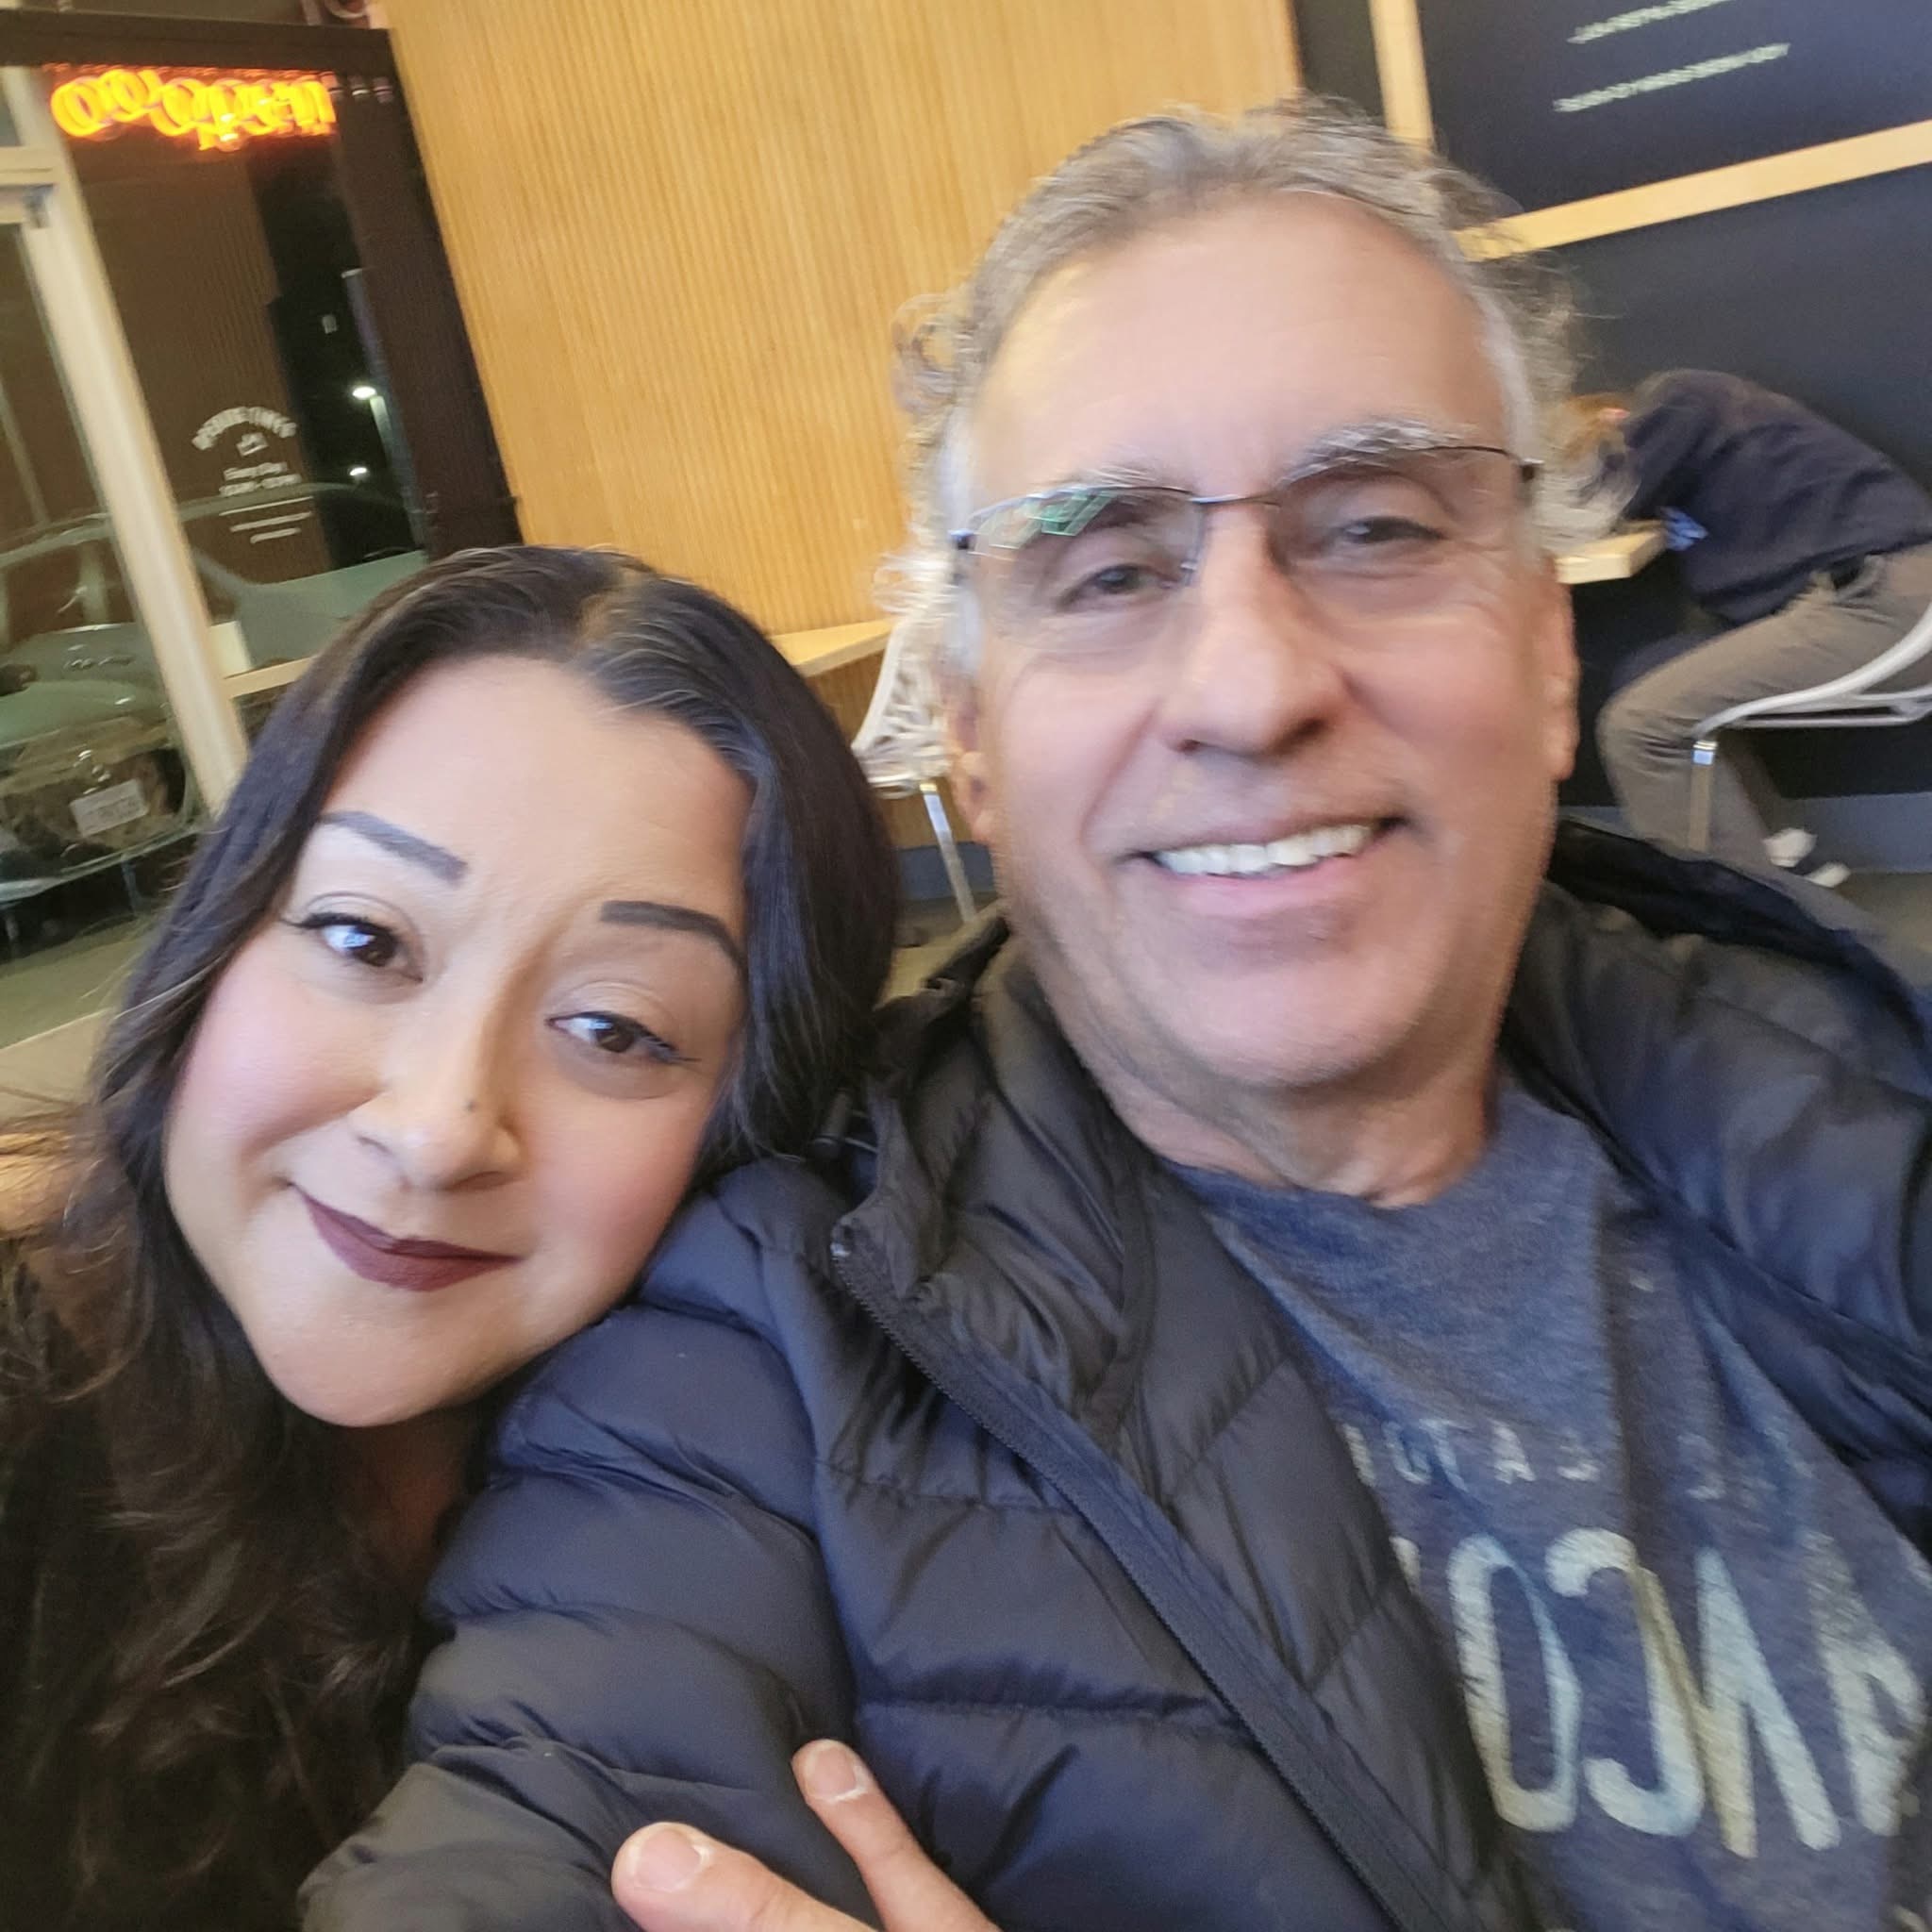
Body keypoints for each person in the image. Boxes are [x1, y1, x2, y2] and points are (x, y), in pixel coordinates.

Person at [308, 102, 1932, 1932]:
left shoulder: (1863, 1084)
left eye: (1374, 527)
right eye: (1104, 568)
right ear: (972, 742)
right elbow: (516, 1838)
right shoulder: (768, 1336)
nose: (1247, 685)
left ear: (1548, 655)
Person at [0, 543, 896, 1931]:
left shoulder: (778, 1504)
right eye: (365, 941)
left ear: (749, 1121)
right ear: (217, 937)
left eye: (613, 1028)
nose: (438, 1127)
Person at [1586, 370, 1932, 875]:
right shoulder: (1707, 455)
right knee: (1650, 677)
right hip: (1856, 596)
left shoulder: (1681, 396)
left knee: (1640, 728)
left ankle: (1730, 908)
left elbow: (1592, 503)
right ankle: (1782, 860)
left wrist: (1583, 469)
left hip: (1884, 598)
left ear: (1614, 419)